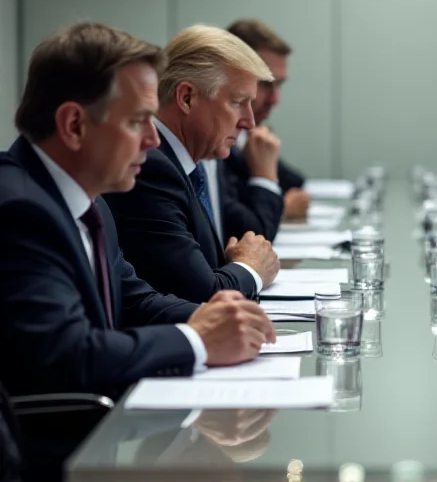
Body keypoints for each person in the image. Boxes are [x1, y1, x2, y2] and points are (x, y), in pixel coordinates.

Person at [0, 22, 276, 401]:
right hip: (57, 448)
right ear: (74, 125)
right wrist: (196, 340)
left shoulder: (91, 203)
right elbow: (68, 354)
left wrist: (214, 316)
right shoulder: (20, 210)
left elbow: (135, 302)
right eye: (136, 121)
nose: (152, 139)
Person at [104, 25, 281, 304]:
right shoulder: (151, 167)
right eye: (238, 102)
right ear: (187, 97)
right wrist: (251, 269)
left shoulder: (194, 163)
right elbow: (201, 294)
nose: (249, 122)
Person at [226, 19, 310, 220]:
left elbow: (295, 181)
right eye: (264, 83)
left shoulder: (248, 136)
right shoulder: (213, 144)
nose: (275, 99)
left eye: (278, 85)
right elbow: (241, 225)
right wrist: (282, 207)